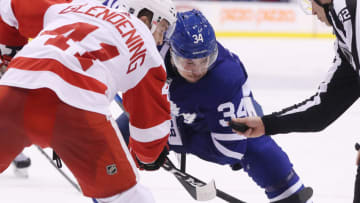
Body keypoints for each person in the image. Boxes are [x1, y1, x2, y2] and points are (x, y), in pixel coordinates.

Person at [116, 9, 313, 203]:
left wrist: (166, 141)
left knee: (255, 144)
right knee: (113, 139)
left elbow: (228, 152)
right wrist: (150, 137)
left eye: (205, 60)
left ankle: (290, 195)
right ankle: (106, 184)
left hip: (214, 114)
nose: (198, 70)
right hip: (168, 109)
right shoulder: (152, 48)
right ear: (173, 52)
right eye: (189, 62)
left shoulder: (224, 79)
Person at [0, 0, 174, 202]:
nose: (161, 40)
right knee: (127, 197)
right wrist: (150, 155)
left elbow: (10, 6)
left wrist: (8, 54)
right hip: (77, 112)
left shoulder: (73, 7)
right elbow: (149, 122)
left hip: (13, 92)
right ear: (146, 19)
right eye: (162, 29)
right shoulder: (145, 44)